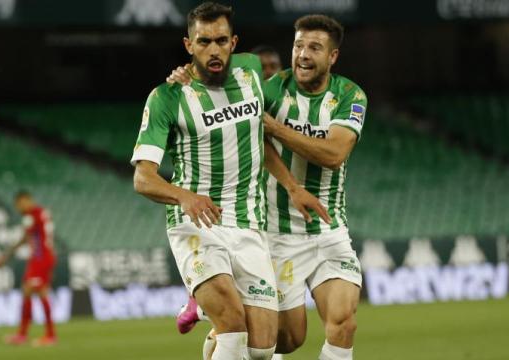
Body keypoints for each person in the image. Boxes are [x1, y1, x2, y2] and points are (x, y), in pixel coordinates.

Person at [132, 3, 330, 360]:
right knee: (233, 326)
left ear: (234, 42)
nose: (213, 49)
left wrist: (291, 186)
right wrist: (184, 198)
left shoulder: (251, 71)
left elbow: (258, 138)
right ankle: (215, 321)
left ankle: (215, 341)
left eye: (221, 40)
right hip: (197, 225)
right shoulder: (167, 97)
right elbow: (143, 178)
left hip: (248, 225)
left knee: (263, 349)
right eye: (203, 41)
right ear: (188, 45)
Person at [171, 14, 367, 360]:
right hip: (278, 233)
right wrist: (184, 76)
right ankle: (216, 326)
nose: (303, 54)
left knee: (344, 322)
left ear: (332, 57)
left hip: (329, 228)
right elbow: (241, 122)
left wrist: (275, 128)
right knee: (286, 340)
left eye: (314, 48)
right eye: (298, 45)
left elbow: (335, 153)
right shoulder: (271, 88)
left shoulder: (350, 95)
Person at [0, 191, 57, 347]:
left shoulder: (33, 215)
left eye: (20, 203)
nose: (19, 208)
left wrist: (5, 256)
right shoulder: (40, 213)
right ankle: (26, 334)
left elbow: (25, 238)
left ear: (27, 200)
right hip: (40, 258)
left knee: (35, 291)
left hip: (41, 258)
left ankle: (48, 336)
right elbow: (32, 237)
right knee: (29, 291)